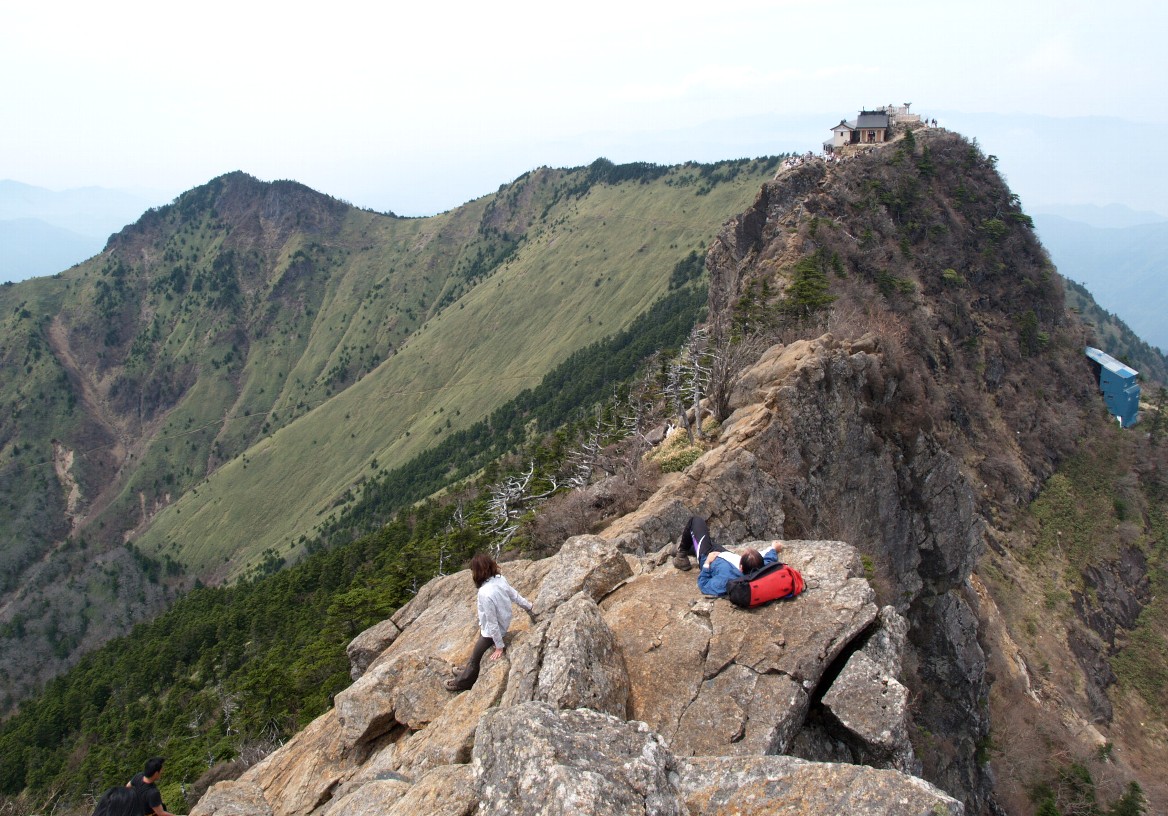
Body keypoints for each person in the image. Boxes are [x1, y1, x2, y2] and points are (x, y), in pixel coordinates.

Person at [445, 553, 535, 691]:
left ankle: (464, 681)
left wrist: (499, 646)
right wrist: (528, 606)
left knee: (476, 658)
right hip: (502, 622)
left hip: (491, 632)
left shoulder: (485, 593)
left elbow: (492, 622)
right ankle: (468, 668)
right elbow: (514, 595)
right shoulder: (500, 579)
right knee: (476, 651)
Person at [673, 515, 782, 597]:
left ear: (741, 567)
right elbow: (769, 559)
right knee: (704, 541)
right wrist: (773, 548)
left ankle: (681, 556)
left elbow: (704, 585)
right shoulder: (759, 568)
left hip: (708, 556)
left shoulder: (725, 579)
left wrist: (707, 563)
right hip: (723, 555)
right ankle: (680, 547)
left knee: (695, 521)